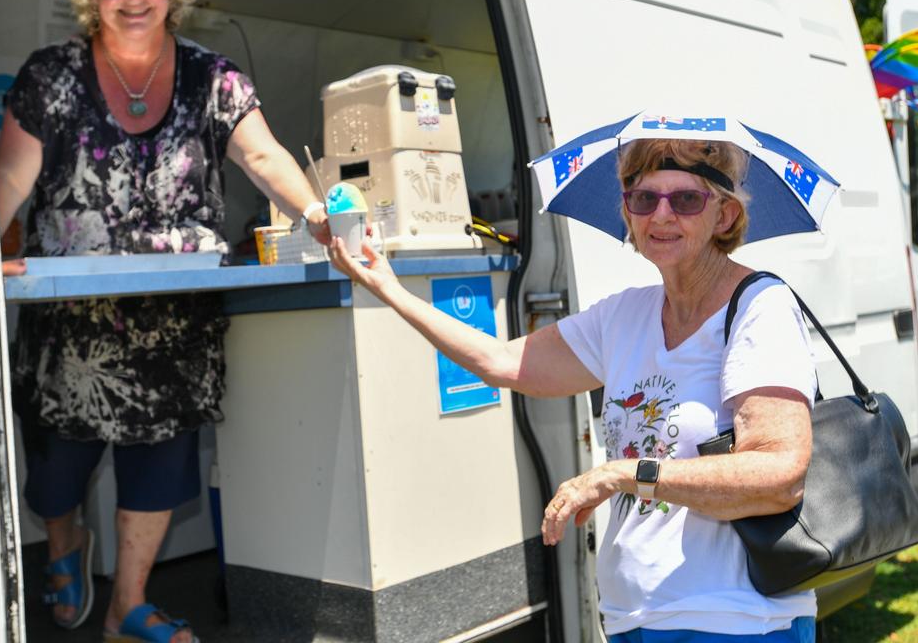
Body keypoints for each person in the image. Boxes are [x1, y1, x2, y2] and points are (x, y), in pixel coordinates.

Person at [0, 0, 328, 643]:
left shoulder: (214, 78)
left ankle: (128, 606)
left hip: (175, 324)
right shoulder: (51, 76)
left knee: (157, 474)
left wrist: (321, 217)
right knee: (56, 476)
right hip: (69, 329)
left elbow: (265, 158)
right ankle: (65, 544)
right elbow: (10, 178)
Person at [330, 139, 818, 642]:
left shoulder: (761, 306)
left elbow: (779, 474)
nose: (662, 215)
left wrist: (623, 474)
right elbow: (500, 362)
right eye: (643, 198)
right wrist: (385, 285)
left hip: (734, 623)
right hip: (635, 620)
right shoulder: (624, 315)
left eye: (686, 199)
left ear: (725, 214)